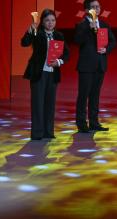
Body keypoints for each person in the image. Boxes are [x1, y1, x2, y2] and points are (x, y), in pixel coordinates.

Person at [22, 9, 68, 140]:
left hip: (52, 74)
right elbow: (24, 43)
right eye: (47, 20)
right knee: (38, 103)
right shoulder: (38, 33)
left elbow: (66, 53)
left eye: (53, 20)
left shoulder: (59, 35)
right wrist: (31, 29)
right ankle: (37, 133)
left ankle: (48, 132)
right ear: (42, 22)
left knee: (50, 104)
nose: (50, 23)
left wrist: (59, 62)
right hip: (39, 73)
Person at [73, 0, 115, 133]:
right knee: (83, 95)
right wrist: (88, 29)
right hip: (86, 66)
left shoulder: (104, 24)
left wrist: (106, 49)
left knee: (95, 95)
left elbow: (113, 41)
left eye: (98, 7)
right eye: (93, 7)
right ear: (86, 10)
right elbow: (77, 40)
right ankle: (81, 123)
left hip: (100, 64)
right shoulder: (81, 25)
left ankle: (94, 122)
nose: (96, 9)